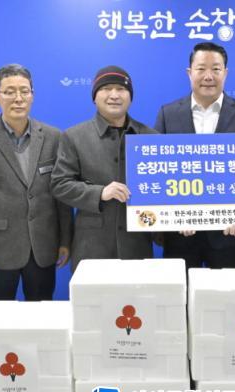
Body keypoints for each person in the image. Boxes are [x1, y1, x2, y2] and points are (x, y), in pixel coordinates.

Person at [0, 64, 72, 300]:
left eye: (24, 91)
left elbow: (61, 194)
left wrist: (65, 240)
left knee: (41, 314)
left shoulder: (53, 137)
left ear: (32, 94)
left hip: (42, 247)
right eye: (10, 92)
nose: (18, 98)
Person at [154, 42, 235, 269]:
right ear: (189, 72)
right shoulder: (168, 113)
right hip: (179, 232)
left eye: (216, 69)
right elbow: (157, 170)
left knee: (225, 292)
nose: (208, 76)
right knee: (180, 292)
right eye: (201, 68)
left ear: (226, 73)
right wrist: (163, 222)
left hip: (229, 232)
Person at [51, 66, 155, 272]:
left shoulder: (151, 137)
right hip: (91, 247)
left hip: (138, 247)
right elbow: (60, 184)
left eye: (121, 89)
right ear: (94, 97)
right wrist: (99, 193)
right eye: (106, 89)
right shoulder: (74, 136)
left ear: (130, 96)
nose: (114, 95)